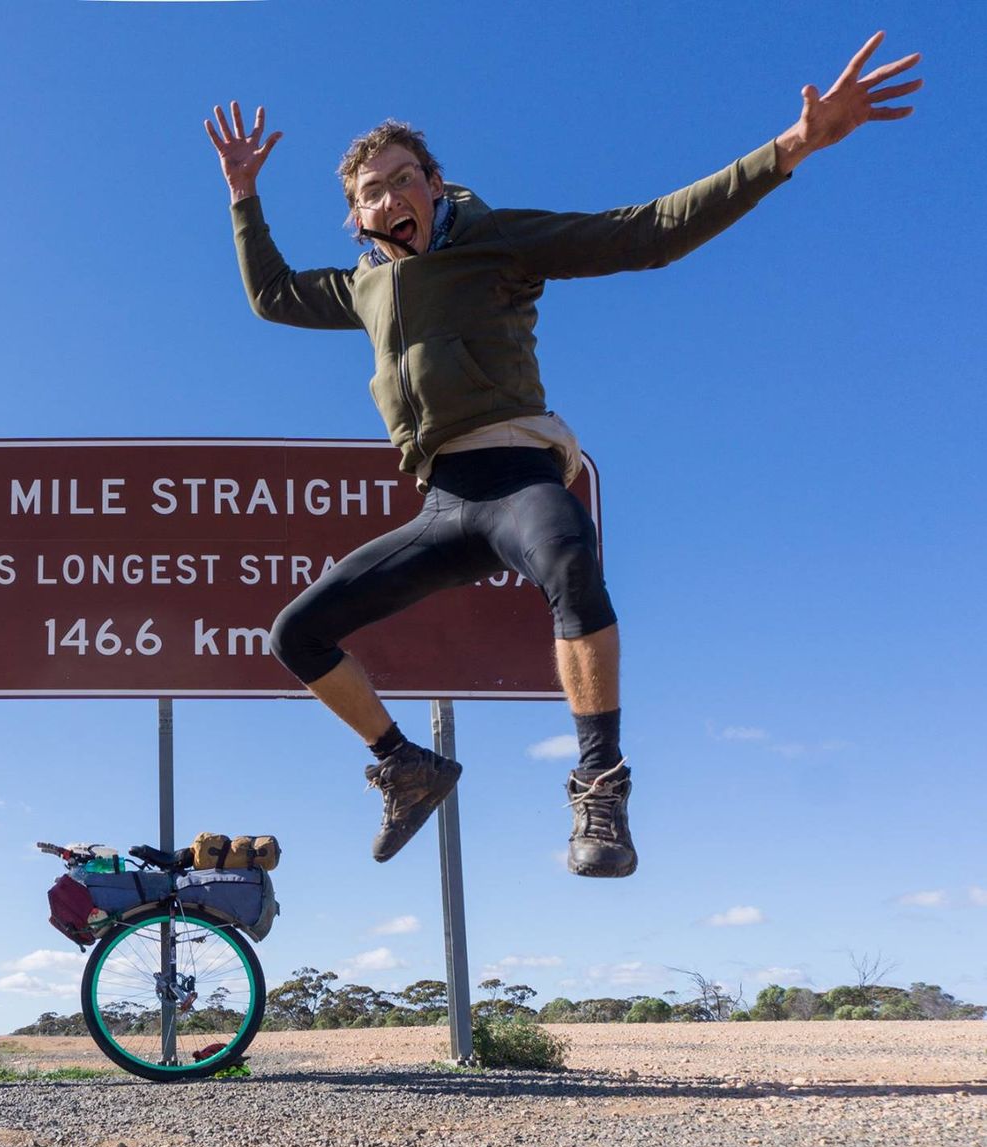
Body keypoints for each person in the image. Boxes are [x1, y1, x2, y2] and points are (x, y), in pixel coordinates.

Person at [204, 33, 921, 875]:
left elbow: (646, 232)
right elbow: (272, 296)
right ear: (358, 218)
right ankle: (406, 765)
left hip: (518, 478)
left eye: (406, 178)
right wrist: (244, 197)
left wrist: (792, 147)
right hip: (443, 504)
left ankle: (599, 786)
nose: (393, 195)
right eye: (373, 191)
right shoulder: (362, 287)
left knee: (572, 560)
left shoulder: (499, 241)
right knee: (296, 632)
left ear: (433, 186)